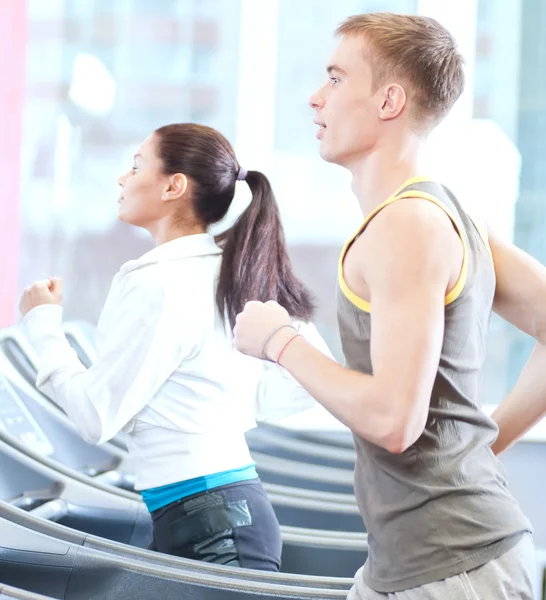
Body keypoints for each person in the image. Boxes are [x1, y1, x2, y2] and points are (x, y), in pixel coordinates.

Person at [233, 12, 541, 599]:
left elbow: (393, 422)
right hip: (411, 564)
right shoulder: (438, 215)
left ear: (389, 101)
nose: (315, 97)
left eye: (336, 78)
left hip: (455, 569)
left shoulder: (408, 226)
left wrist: (280, 342)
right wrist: (485, 443)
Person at [19, 122, 329, 571]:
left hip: (212, 527)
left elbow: (95, 415)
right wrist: (229, 403)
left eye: (136, 165)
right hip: (220, 513)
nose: (121, 178)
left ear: (174, 186)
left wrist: (43, 324)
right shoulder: (231, 268)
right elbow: (308, 379)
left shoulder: (159, 282)